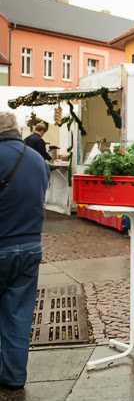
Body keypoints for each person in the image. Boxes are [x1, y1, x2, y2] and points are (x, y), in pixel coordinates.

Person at [0, 112, 49, 391]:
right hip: (30, 246)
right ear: (17, 130)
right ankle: (15, 376)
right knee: (18, 316)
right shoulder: (36, 159)